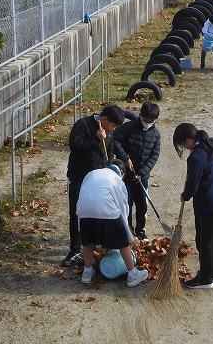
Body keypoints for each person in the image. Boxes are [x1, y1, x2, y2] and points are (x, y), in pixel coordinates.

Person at [62, 104, 125, 267]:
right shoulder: (82, 125)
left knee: (98, 212)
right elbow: (74, 146)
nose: (113, 129)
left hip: (98, 182)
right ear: (104, 120)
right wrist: (96, 138)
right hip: (78, 178)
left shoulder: (110, 134)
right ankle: (75, 250)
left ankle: (97, 244)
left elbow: (110, 153)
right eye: (112, 125)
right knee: (76, 213)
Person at [173, 123, 213, 290]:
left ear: (190, 140)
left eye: (184, 144)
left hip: (208, 205)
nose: (184, 148)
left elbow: (193, 185)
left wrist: (185, 195)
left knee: (204, 242)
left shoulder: (196, 158)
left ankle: (205, 279)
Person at [76, 159, 149, 288]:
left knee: (88, 242)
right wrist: (126, 232)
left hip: (83, 211)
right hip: (106, 211)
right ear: (121, 172)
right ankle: (133, 275)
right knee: (123, 243)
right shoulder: (117, 180)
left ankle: (87, 273)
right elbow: (123, 208)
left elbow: (83, 194)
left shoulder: (92, 173)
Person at [113, 101, 161, 242]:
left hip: (142, 177)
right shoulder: (128, 127)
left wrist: (143, 172)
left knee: (142, 205)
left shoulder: (156, 134)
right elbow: (116, 141)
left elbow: (154, 155)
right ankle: (127, 230)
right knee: (126, 203)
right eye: (146, 120)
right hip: (127, 175)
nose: (148, 123)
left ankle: (140, 230)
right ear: (140, 116)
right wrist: (125, 158)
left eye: (152, 121)